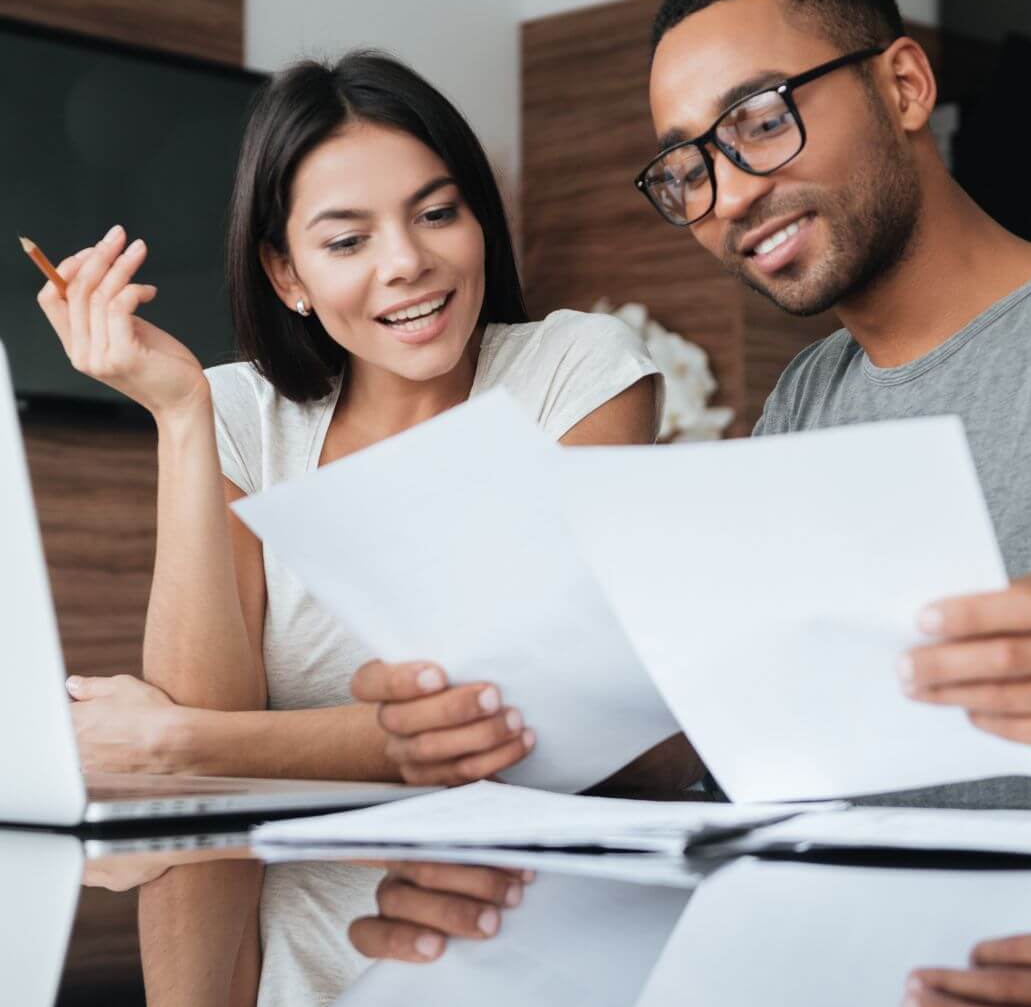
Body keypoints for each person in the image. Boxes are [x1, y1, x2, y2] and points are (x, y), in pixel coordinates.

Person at [37, 49, 668, 788]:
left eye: (436, 213)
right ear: (286, 273)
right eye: (346, 240)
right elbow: (207, 709)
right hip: (277, 895)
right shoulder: (241, 411)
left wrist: (179, 741)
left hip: (514, 891)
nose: (405, 261)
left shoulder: (576, 370)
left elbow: (539, 720)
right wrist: (180, 415)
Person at [636, 0, 1031, 809]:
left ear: (903, 85)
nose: (731, 196)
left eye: (759, 118)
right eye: (688, 169)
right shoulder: (803, 400)